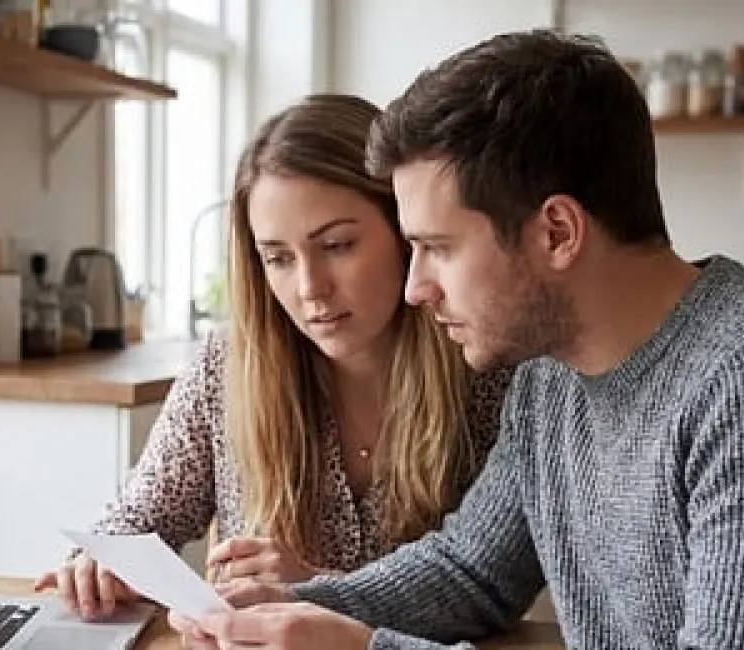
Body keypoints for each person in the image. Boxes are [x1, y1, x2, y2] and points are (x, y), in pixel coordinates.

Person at [172, 30, 744, 649]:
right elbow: (467, 572)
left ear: (557, 230)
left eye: (440, 248)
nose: (417, 287)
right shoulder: (553, 380)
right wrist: (285, 614)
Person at [33, 93, 515, 622]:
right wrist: (99, 563)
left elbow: (484, 591)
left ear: (405, 230)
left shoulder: (489, 370)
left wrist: (313, 589)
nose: (310, 288)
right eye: (279, 258)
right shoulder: (227, 364)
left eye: (337, 245)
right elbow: (137, 520)